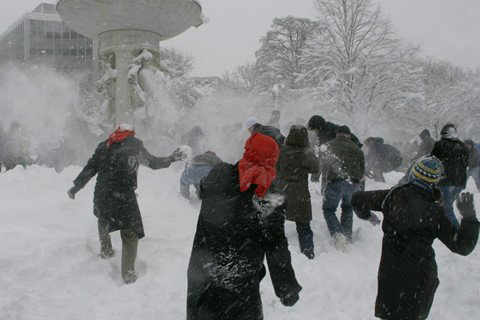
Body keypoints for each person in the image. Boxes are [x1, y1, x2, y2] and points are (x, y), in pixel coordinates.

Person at [187, 133, 301, 320]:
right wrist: (286, 289)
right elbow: (275, 245)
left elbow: (202, 188)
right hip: (241, 283)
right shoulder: (270, 198)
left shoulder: (220, 174)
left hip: (203, 273)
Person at [351, 156, 479, 320]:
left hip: (391, 276)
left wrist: (367, 215)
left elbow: (357, 199)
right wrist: (469, 217)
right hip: (420, 280)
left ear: (413, 174)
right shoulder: (434, 211)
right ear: (435, 182)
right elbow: (462, 246)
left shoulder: (392, 196)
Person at [67, 124, 186, 284]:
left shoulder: (104, 145)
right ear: (130, 134)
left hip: (102, 192)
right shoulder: (135, 145)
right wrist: (171, 158)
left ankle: (106, 251)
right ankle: (128, 275)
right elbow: (153, 162)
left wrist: (77, 186)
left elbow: (90, 168)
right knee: (130, 232)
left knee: (102, 218)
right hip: (123, 196)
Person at [320, 126, 365, 249]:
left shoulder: (328, 146)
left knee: (329, 209)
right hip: (352, 183)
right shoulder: (357, 149)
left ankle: (338, 234)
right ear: (349, 135)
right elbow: (362, 172)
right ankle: (347, 236)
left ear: (337, 134)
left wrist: (324, 186)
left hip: (334, 182)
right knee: (347, 207)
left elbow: (324, 168)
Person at [278, 125, 319, 259]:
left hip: (282, 192)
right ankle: (308, 254)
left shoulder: (281, 151)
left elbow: (274, 168)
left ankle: (279, 254)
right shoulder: (306, 153)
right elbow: (315, 169)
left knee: (278, 223)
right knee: (303, 225)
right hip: (300, 193)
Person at [431, 124, 469, 228]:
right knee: (445, 206)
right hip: (459, 182)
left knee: (446, 208)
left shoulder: (440, 144)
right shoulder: (462, 146)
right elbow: (466, 164)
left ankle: (457, 232)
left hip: (445, 181)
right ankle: (442, 227)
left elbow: (432, 161)